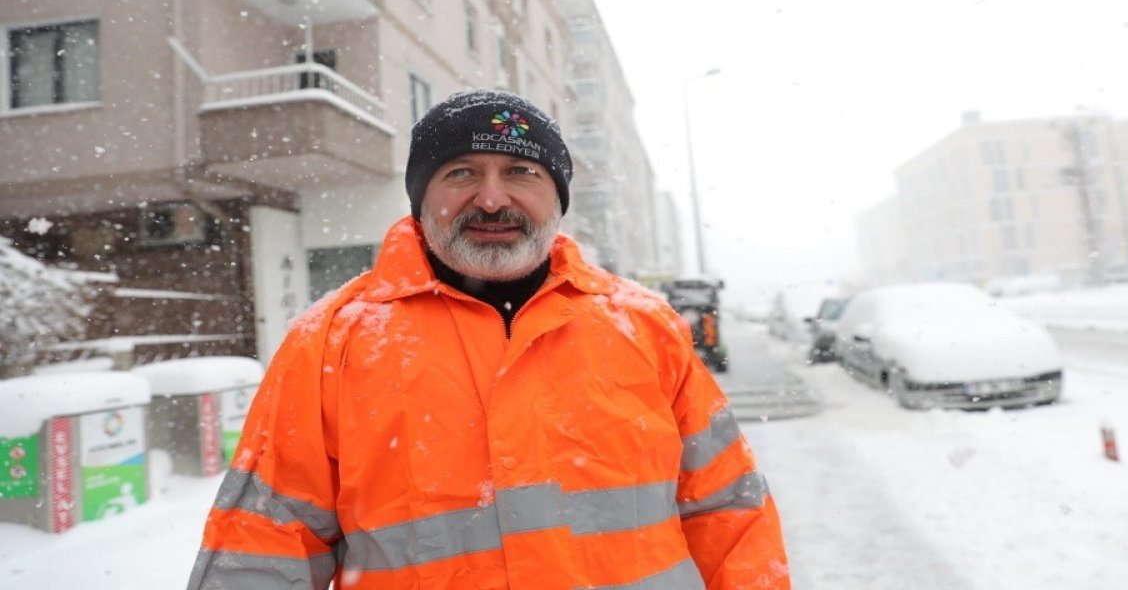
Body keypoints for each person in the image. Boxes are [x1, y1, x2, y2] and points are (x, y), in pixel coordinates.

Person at [187, 89, 790, 589]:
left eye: (521, 172)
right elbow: (263, 544)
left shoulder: (644, 326)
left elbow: (728, 513)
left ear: (557, 198)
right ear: (422, 200)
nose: (493, 198)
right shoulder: (333, 341)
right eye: (461, 173)